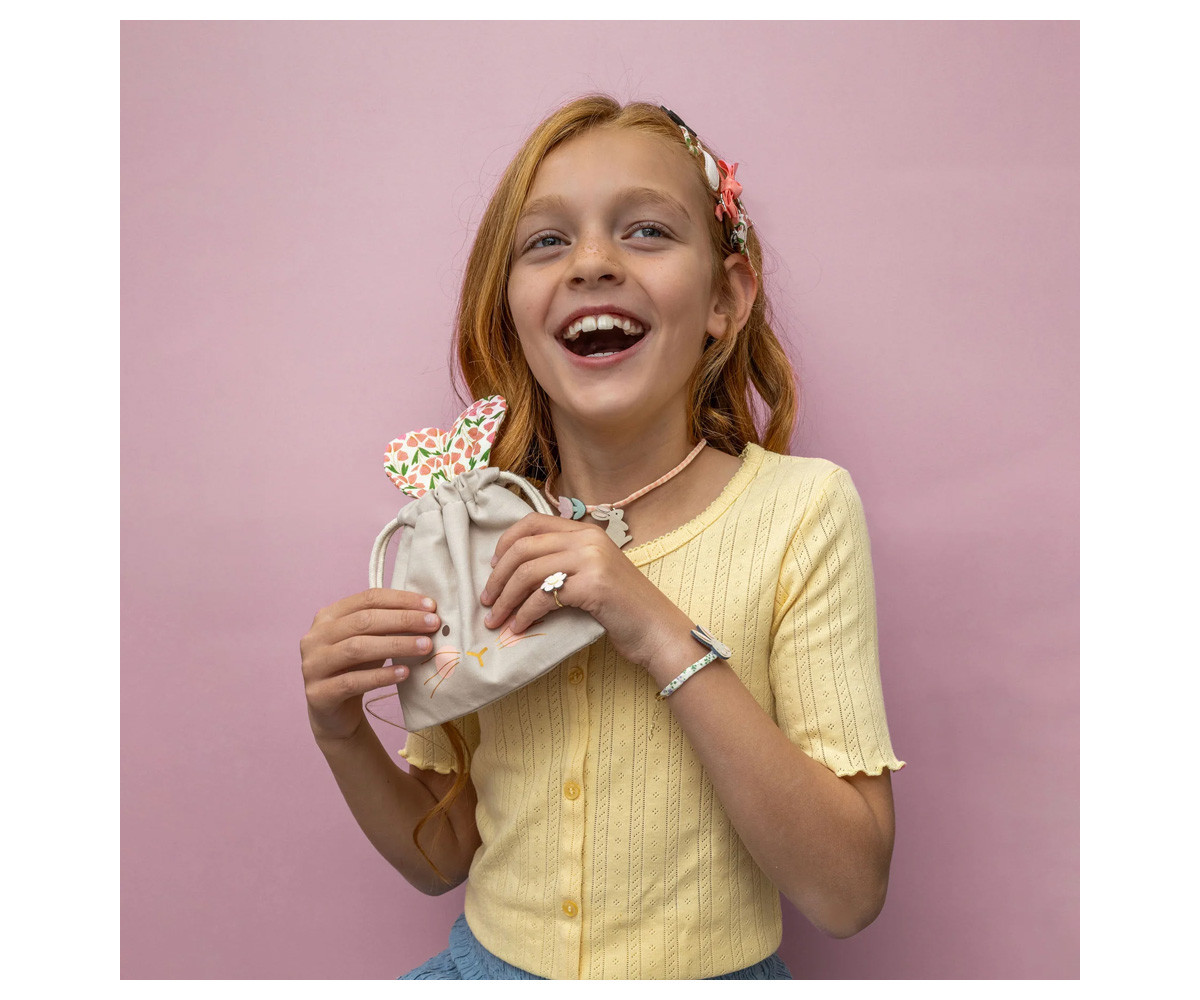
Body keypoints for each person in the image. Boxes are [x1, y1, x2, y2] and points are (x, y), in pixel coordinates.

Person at [300, 96, 905, 980]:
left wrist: (652, 624)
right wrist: (341, 732)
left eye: (648, 231)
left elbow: (848, 894)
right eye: (546, 242)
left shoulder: (802, 511)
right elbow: (442, 857)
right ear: (510, 311)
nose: (591, 262)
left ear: (725, 299)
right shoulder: (468, 528)